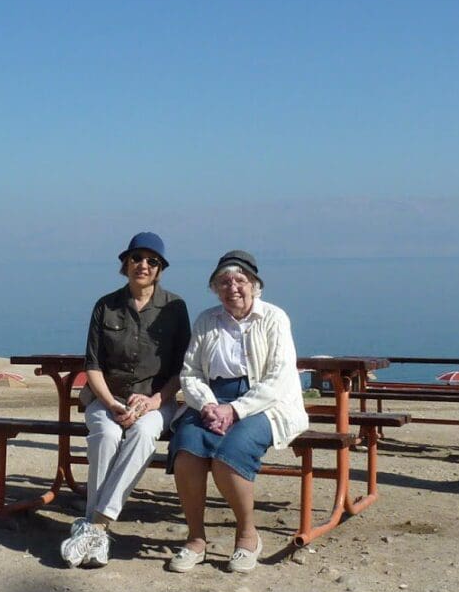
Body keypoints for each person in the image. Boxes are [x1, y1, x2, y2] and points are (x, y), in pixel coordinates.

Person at [166, 250, 307, 574]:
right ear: (215, 288)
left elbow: (278, 378)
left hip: (265, 403)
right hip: (211, 401)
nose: (233, 288)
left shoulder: (274, 318)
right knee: (187, 452)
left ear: (254, 285)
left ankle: (247, 536)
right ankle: (195, 539)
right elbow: (191, 372)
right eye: (224, 282)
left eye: (240, 280)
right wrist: (208, 405)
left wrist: (235, 409)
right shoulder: (206, 320)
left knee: (229, 456)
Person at [60, 232, 191, 568]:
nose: (143, 265)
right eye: (136, 258)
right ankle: (97, 534)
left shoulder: (175, 308)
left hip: (156, 402)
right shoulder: (105, 306)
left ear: (160, 268)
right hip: (107, 398)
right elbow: (92, 365)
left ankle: (96, 525)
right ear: (125, 263)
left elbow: (183, 368)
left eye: (152, 261)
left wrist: (154, 401)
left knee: (144, 434)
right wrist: (111, 404)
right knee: (106, 434)